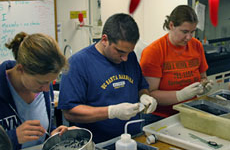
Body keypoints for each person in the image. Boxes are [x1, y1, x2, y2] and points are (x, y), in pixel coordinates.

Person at [58, 13, 157, 143]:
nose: (125, 58)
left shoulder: (130, 57)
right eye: (120, 52)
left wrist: (145, 97)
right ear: (104, 39)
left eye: (129, 52)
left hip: (133, 138)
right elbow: (70, 111)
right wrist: (111, 112)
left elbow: (141, 86)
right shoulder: (77, 64)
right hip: (98, 143)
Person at [140, 5, 213, 123]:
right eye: (184, 32)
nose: (189, 37)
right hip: (160, 117)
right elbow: (150, 95)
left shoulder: (196, 46)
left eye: (192, 32)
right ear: (171, 25)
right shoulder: (154, 51)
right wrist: (180, 95)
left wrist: (204, 85)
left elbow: (203, 77)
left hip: (190, 112)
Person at [0, 32, 71, 150]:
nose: (47, 89)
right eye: (41, 83)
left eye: (50, 82)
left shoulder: (44, 83)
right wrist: (12, 137)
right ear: (20, 69)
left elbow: (45, 128)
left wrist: (53, 134)